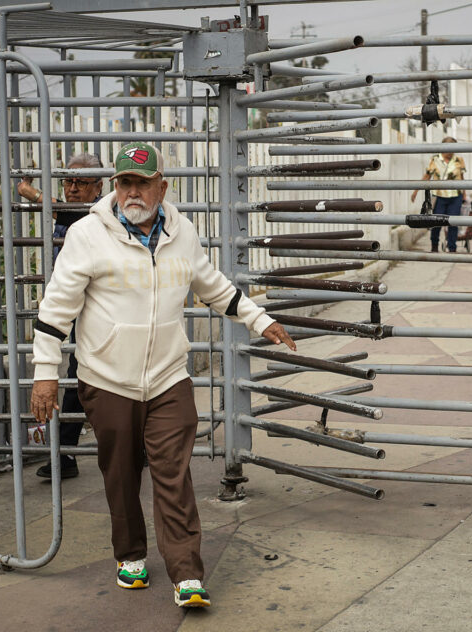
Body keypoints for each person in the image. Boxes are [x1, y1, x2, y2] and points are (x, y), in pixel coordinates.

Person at [29, 142, 295, 609]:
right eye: (125, 182)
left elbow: (213, 286)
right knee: (120, 471)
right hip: (108, 378)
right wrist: (45, 374)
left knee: (174, 473)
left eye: (142, 183)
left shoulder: (183, 232)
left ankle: (187, 573)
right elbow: (56, 309)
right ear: (115, 185)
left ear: (162, 187)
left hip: (170, 376)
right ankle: (130, 553)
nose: (133, 192)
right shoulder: (87, 235)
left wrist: (259, 319)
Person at [17, 154, 105, 480]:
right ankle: (66, 453)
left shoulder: (99, 212)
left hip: (100, 310)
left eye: (81, 182)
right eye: (68, 181)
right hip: (76, 306)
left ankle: (134, 446)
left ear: (99, 186)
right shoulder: (73, 212)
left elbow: (70, 213)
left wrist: (31, 192)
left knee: (89, 377)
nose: (72, 188)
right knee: (78, 375)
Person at [410, 136, 467, 253]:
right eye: (449, 148)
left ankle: (452, 248)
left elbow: (461, 177)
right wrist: (415, 191)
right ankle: (434, 246)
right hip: (439, 197)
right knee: (436, 222)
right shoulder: (435, 159)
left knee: (453, 223)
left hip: (455, 196)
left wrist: (464, 195)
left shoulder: (459, 160)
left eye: (453, 149)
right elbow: (427, 176)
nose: (451, 152)